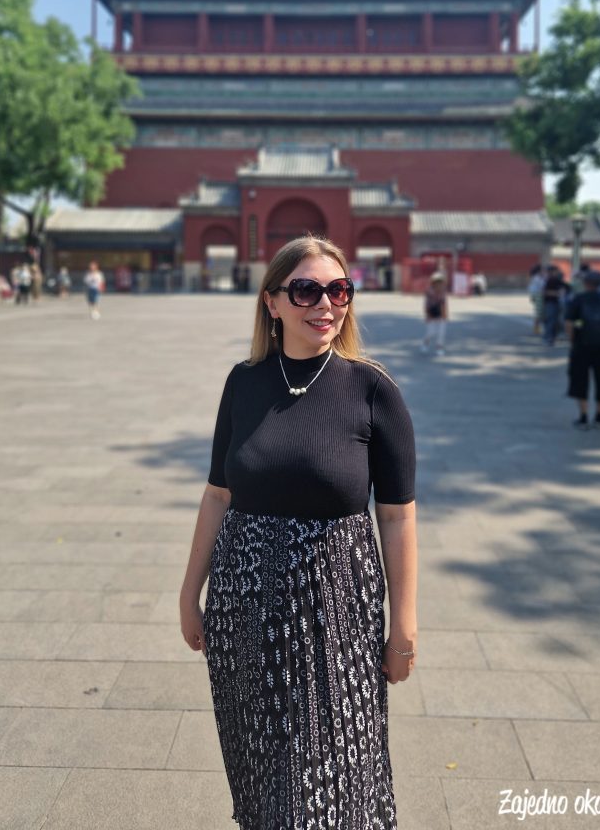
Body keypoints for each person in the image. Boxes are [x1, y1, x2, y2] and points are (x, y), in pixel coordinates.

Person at [179, 235, 417, 829]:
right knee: (262, 773)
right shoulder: (244, 383)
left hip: (335, 609)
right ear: (272, 302)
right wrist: (188, 593)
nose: (325, 304)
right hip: (244, 604)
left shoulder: (373, 389)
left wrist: (403, 626)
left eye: (339, 290)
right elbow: (217, 493)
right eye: (306, 290)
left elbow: (396, 514)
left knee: (331, 778)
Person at [565, 270, 600, 429]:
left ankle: (583, 416)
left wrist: (572, 340)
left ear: (585, 283)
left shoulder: (578, 299)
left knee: (580, 379)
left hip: (582, 344)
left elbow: (569, 322)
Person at [421, 270, 448, 354]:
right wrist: (427, 315)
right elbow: (427, 305)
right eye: (437, 282)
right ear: (433, 283)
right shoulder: (429, 292)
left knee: (441, 333)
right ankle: (426, 343)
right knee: (431, 333)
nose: (439, 284)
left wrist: (445, 315)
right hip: (432, 314)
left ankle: (439, 348)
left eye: (441, 282)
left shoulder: (443, 292)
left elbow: (444, 303)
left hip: (440, 315)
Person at [542, 265, 565, 345]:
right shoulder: (549, 280)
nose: (558, 272)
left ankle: (551, 337)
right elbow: (545, 292)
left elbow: (565, 287)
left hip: (555, 302)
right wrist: (558, 293)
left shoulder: (556, 280)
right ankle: (548, 338)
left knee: (554, 321)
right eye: (556, 271)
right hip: (550, 303)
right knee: (550, 321)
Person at [527, 264, 546, 335]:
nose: (544, 271)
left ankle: (537, 328)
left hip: (537, 295)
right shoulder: (537, 278)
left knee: (539, 312)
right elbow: (542, 286)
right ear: (539, 271)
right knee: (539, 312)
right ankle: (536, 329)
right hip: (538, 295)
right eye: (543, 270)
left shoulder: (536, 277)